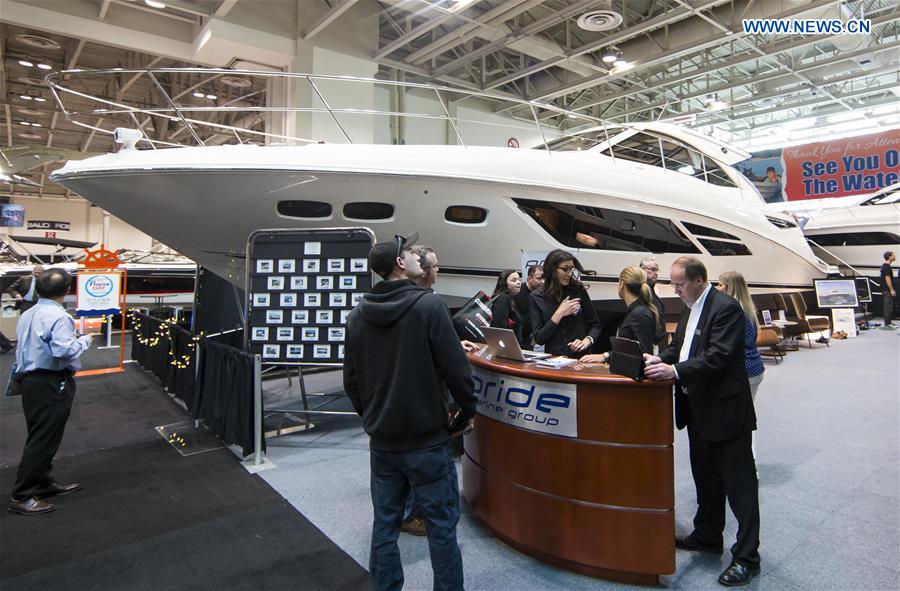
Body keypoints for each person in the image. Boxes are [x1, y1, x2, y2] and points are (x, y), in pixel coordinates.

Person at [344, 233, 476, 591]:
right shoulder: (430, 307)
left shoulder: (357, 317)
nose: (418, 256)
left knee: (384, 525)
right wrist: (466, 413)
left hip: (383, 443)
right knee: (441, 529)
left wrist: (373, 416)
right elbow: (457, 371)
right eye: (410, 253)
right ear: (401, 264)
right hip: (428, 441)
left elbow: (351, 383)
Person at [643, 256, 760, 587]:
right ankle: (708, 536)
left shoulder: (726, 309)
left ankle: (748, 557)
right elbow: (681, 348)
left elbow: (718, 356)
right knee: (706, 480)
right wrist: (660, 358)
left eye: (679, 284)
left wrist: (675, 372)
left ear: (698, 280)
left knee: (740, 489)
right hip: (698, 411)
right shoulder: (691, 306)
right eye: (673, 284)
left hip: (726, 414)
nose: (675, 290)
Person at [8, 268, 93, 516]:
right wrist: (84, 341)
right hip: (51, 382)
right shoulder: (60, 316)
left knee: (43, 433)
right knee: (44, 437)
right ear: (66, 291)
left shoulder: (29, 313)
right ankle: (22, 495)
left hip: (31, 381)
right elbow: (64, 352)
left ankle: (42, 482)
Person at [717, 271, 765, 463]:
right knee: (747, 417)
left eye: (719, 285)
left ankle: (747, 464)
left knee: (741, 423)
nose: (717, 289)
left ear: (728, 287)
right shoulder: (749, 310)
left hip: (743, 372)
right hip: (756, 369)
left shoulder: (733, 311)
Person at [529, 249, 600, 357]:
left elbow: (596, 325)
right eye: (565, 269)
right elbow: (539, 338)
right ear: (552, 269)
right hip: (554, 359)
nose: (570, 274)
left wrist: (587, 341)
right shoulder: (536, 297)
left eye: (571, 269)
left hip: (581, 357)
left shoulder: (578, 290)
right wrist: (559, 314)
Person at [581, 266, 659, 363]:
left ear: (622, 284)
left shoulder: (639, 314)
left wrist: (606, 356)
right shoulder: (637, 311)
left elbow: (643, 353)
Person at [490, 270, 526, 347]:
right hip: (507, 349)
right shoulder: (503, 299)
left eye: (519, 279)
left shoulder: (510, 298)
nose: (518, 282)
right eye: (514, 280)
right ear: (504, 283)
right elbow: (500, 329)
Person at [640, 256, 668, 350]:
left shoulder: (653, 291)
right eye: (652, 269)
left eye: (657, 270)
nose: (655, 273)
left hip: (657, 341)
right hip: (646, 343)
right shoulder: (639, 292)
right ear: (642, 270)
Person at [514, 264, 543, 345]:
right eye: (539, 278)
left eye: (544, 278)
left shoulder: (542, 294)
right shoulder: (517, 292)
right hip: (516, 338)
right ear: (529, 278)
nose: (543, 281)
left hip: (530, 339)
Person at [880, 251, 896, 329]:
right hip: (887, 290)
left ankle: (889, 322)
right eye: (893, 255)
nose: (895, 256)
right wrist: (892, 289)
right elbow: (887, 279)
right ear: (889, 257)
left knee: (889, 306)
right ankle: (887, 323)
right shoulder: (886, 266)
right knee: (888, 306)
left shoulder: (885, 266)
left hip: (886, 289)